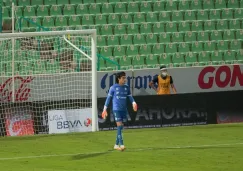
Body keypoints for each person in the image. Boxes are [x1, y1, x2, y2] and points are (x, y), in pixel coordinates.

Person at [102, 71, 137, 151]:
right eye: (123, 78)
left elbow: (130, 97)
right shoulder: (113, 87)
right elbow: (108, 99)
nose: (125, 79)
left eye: (125, 77)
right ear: (119, 79)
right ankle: (122, 144)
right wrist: (105, 109)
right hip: (116, 109)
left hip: (123, 109)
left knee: (120, 127)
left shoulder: (126, 87)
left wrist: (133, 102)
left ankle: (115, 145)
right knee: (119, 125)